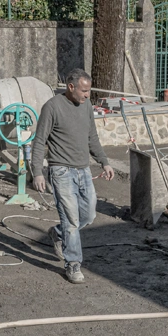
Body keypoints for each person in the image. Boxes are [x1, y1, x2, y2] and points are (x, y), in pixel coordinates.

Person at [32, 69, 115, 283]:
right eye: (84, 90)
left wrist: (104, 161)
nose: (87, 95)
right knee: (71, 220)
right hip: (60, 170)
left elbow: (92, 137)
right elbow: (39, 141)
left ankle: (58, 234)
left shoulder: (86, 106)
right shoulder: (52, 107)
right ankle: (73, 264)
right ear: (71, 87)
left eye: (88, 91)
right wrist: (38, 173)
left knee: (88, 216)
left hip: (83, 169)